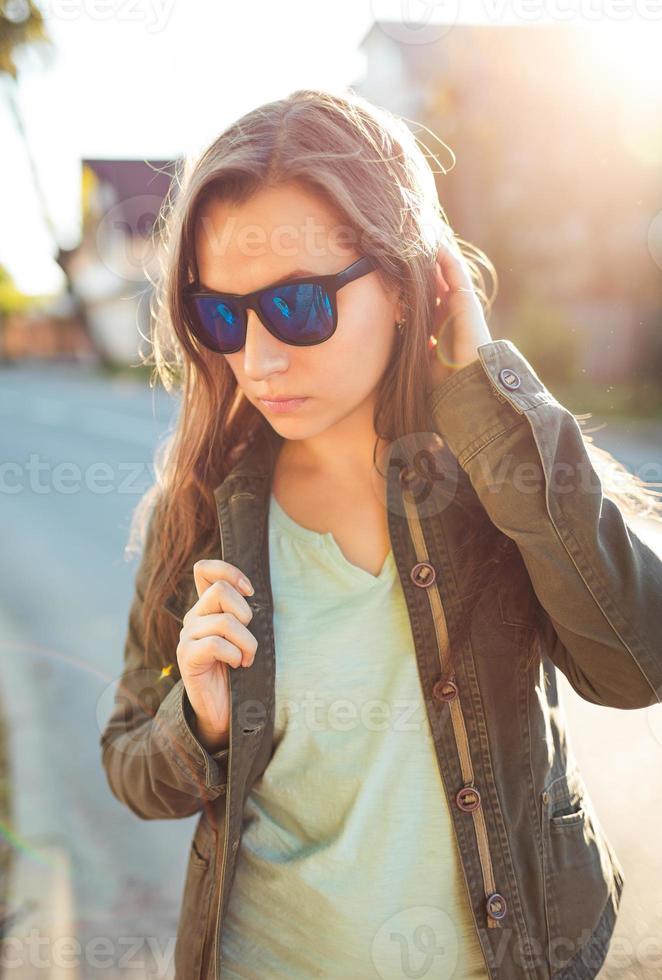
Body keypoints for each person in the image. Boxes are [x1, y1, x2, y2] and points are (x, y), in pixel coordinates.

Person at [100, 88, 662, 980]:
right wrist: (199, 723)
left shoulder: (494, 470)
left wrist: (487, 384)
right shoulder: (204, 507)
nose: (258, 359)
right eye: (220, 316)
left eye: (298, 307)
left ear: (408, 285)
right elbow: (127, 760)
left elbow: (636, 663)